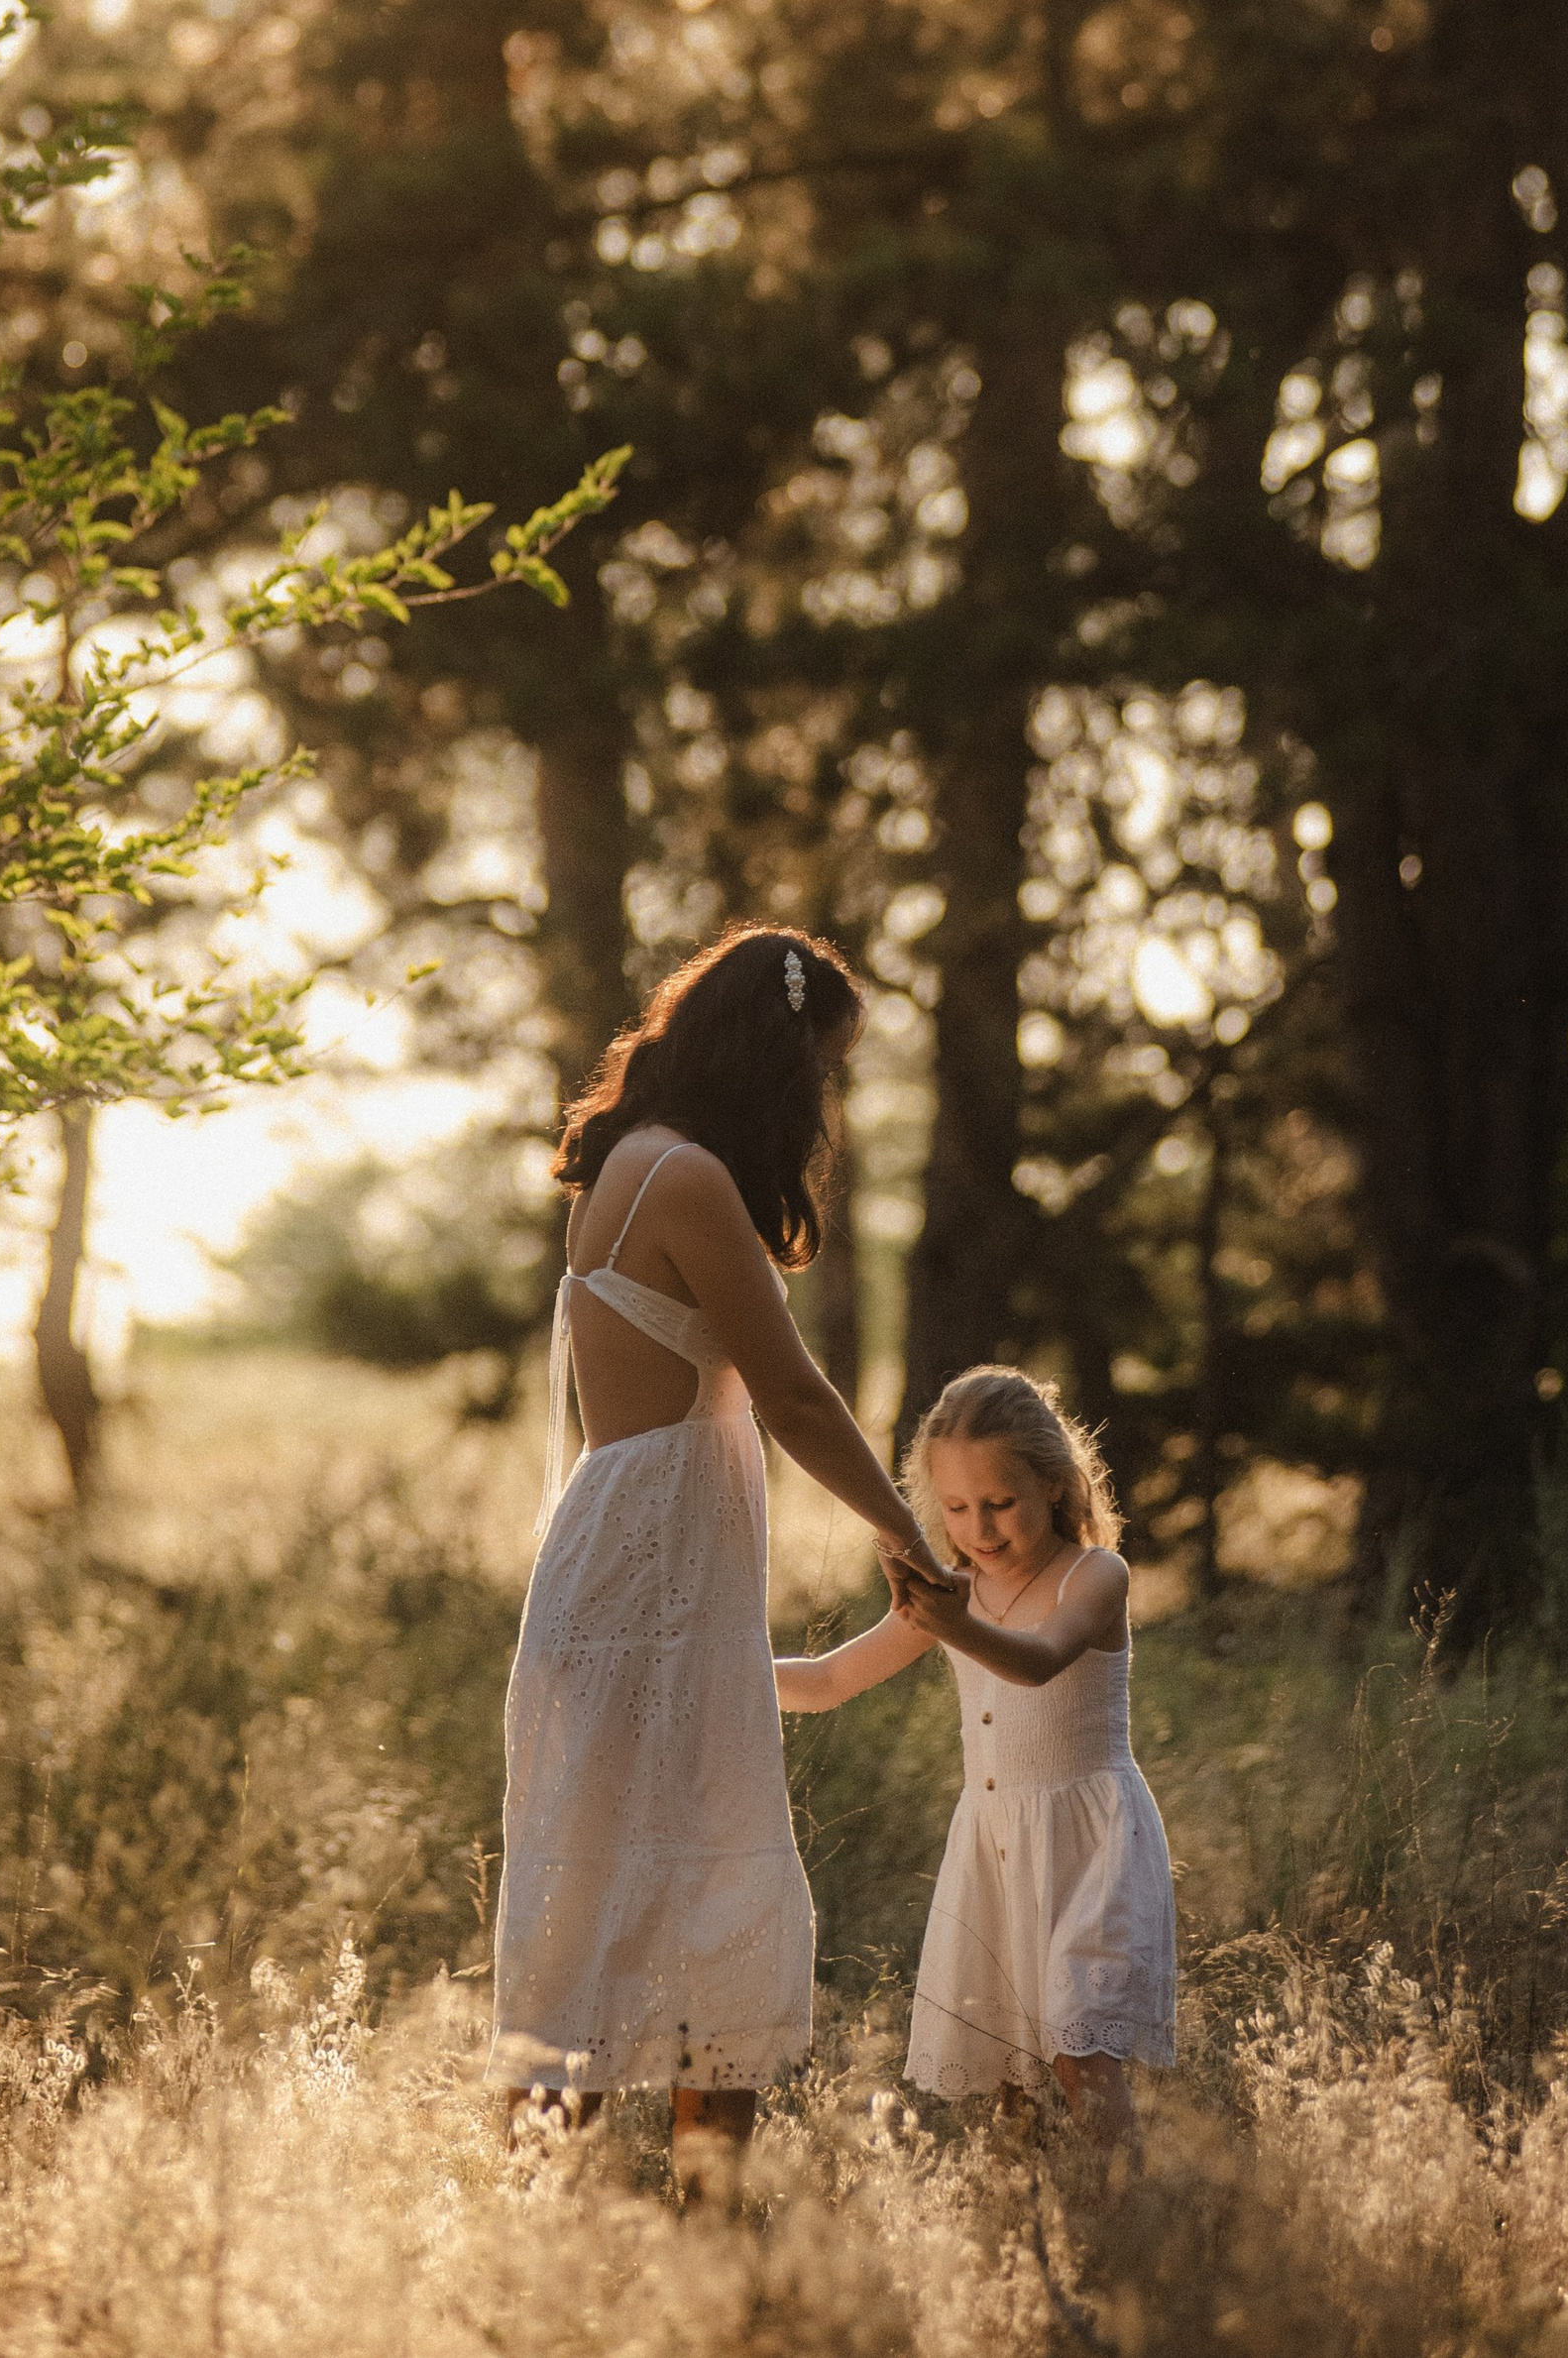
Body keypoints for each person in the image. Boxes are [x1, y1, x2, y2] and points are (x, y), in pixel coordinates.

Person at [491, 923, 956, 2198]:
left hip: (633, 1566)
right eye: (823, 1065)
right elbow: (794, 1397)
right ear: (776, 1052)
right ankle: (656, 2228)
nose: (826, 1096)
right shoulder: (685, 1177)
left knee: (617, 1898)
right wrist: (905, 1533)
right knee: (696, 1895)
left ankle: (598, 2230)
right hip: (648, 1583)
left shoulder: (623, 1166)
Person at [773, 1364, 1176, 2140]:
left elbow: (1039, 1659)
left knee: (1077, 2049)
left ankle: (1132, 2222)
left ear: (1053, 1484)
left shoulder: (1095, 1576)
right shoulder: (954, 1590)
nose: (979, 1529)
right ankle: (1021, 2239)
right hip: (993, 1846)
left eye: (1000, 1503)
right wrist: (713, 1673)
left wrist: (948, 1621)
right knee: (1006, 2078)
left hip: (1087, 1846)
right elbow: (827, 1679)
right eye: (955, 1508)